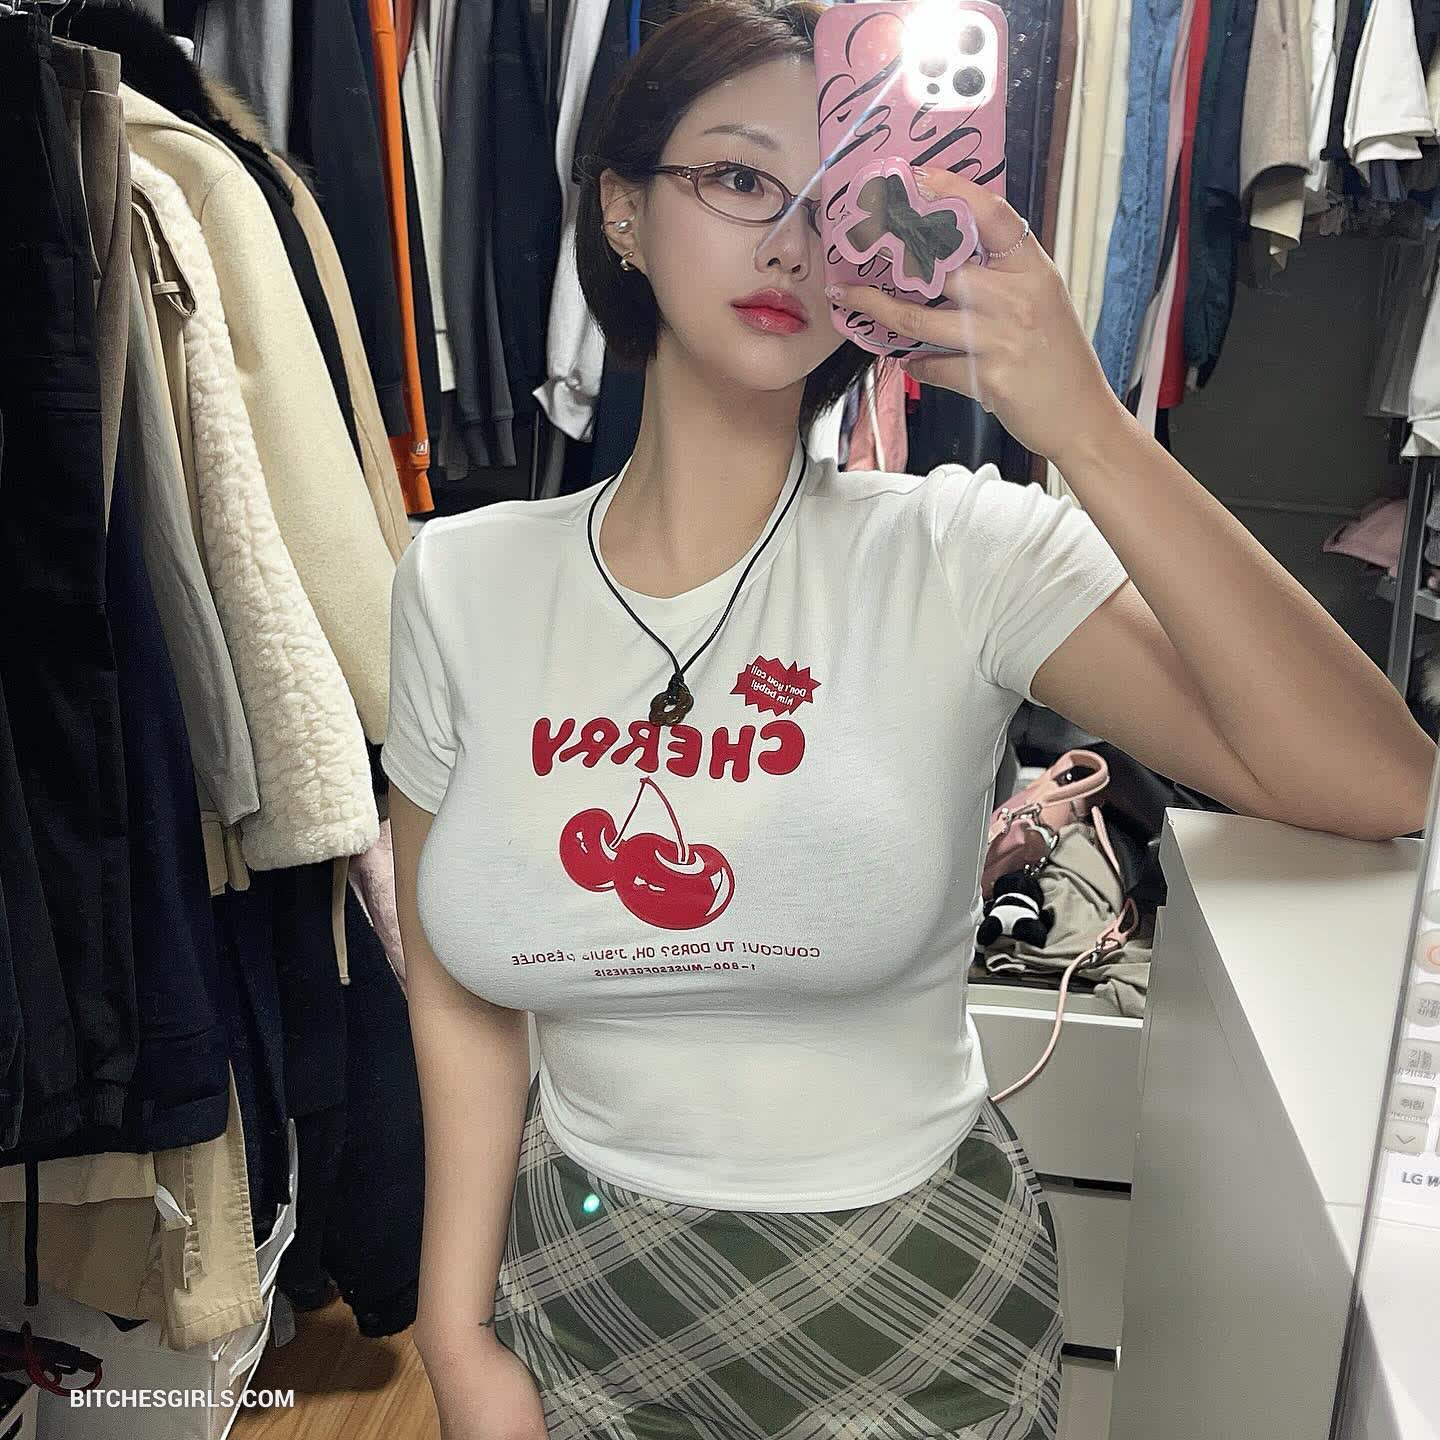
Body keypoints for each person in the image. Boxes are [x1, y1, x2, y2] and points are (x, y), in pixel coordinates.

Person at [386, 4, 1433, 1437]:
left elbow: (1378, 780)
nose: (789, 243)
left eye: (840, 199)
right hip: (580, 1285)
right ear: (622, 211)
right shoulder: (460, 582)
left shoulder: (962, 553)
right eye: (739, 179)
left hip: (910, 1305)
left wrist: (1086, 426)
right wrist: (454, 1330)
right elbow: (459, 994)